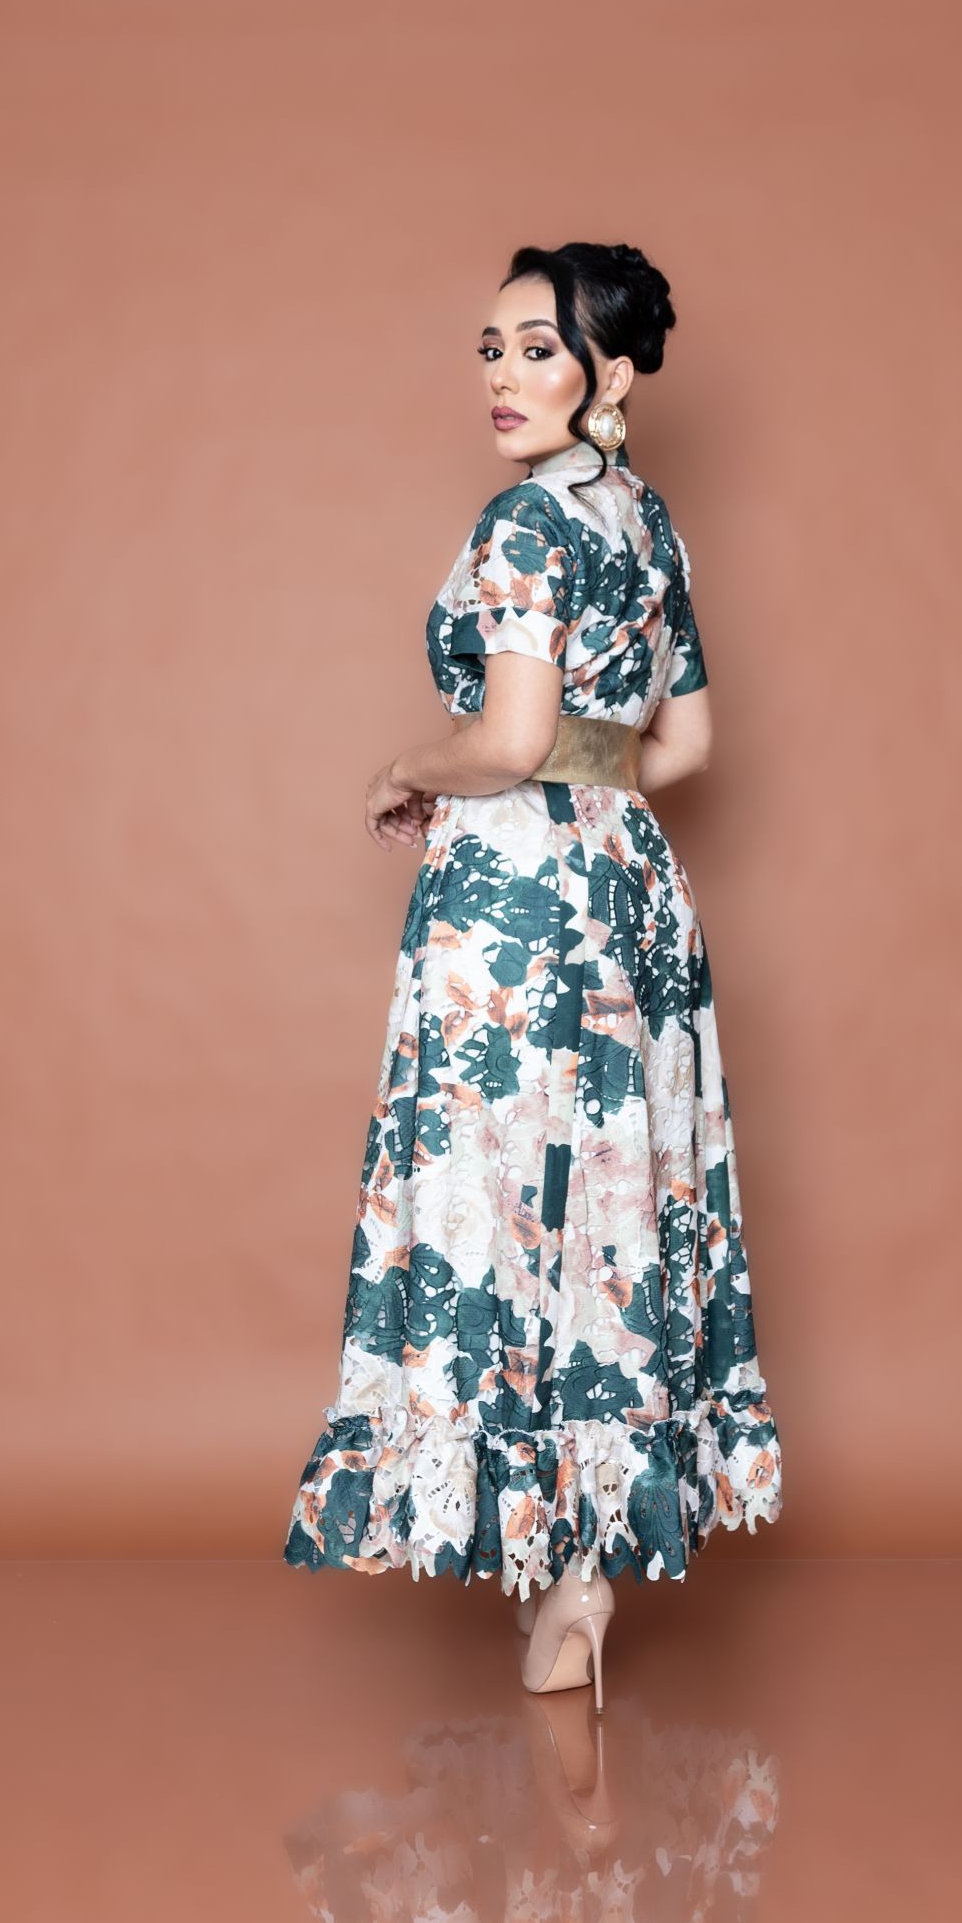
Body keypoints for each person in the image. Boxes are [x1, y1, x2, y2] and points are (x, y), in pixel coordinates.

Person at [283, 241, 783, 1709]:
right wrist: (589, 785)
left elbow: (502, 745)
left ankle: (553, 1565)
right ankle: (582, 1569)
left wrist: (404, 768)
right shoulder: (647, 520)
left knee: (504, 1196)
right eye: (491, 349)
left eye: (537, 349)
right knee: (610, 1203)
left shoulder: (523, 524)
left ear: (609, 375)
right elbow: (686, 747)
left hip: (510, 902)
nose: (503, 377)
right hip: (630, 885)